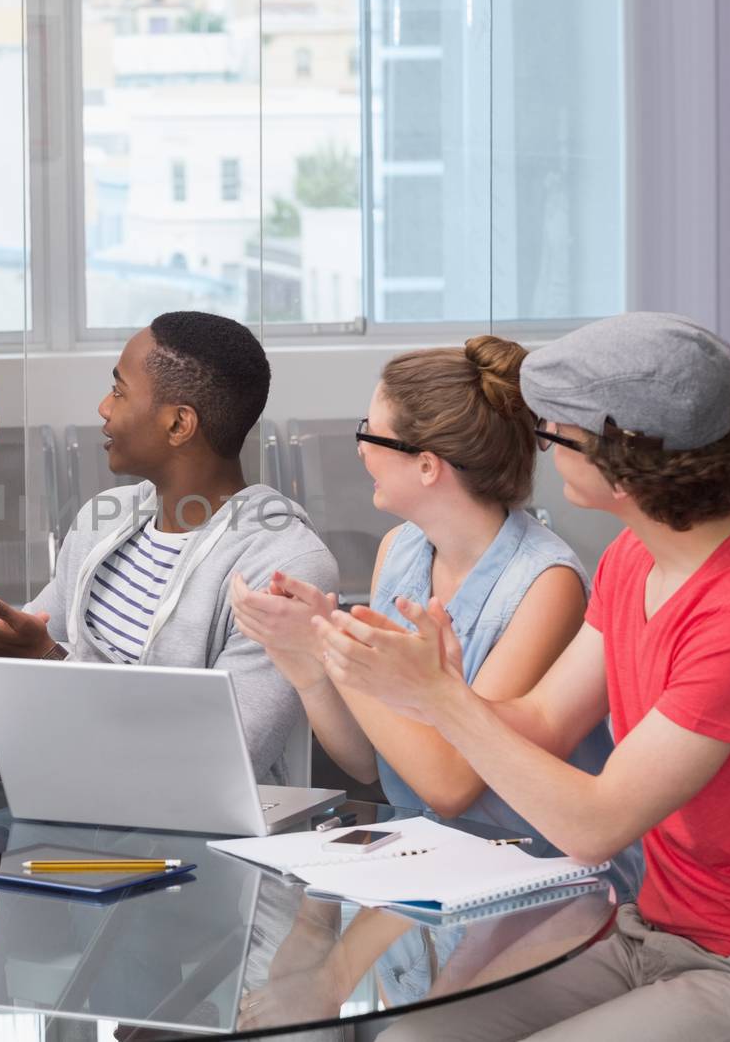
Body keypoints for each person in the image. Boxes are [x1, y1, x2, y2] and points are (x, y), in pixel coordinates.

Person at [324, 313, 730, 1041]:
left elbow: (596, 825)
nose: (543, 450)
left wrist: (443, 701)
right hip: (650, 933)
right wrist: (425, 686)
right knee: (413, 1038)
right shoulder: (632, 561)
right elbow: (545, 720)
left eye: (555, 435)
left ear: (622, 461)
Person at [229, 336, 639, 895]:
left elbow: (450, 785)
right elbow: (373, 764)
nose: (360, 451)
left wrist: (332, 644)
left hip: (531, 886)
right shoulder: (398, 551)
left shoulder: (547, 585)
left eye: (369, 434)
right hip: (422, 871)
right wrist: (306, 664)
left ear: (427, 466)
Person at [0, 311, 338, 785]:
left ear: (179, 424)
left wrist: (42, 657)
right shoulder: (105, 519)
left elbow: (223, 763)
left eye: (119, 391)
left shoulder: (286, 567)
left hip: (207, 847)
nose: (104, 407)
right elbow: (41, 635)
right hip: (74, 816)